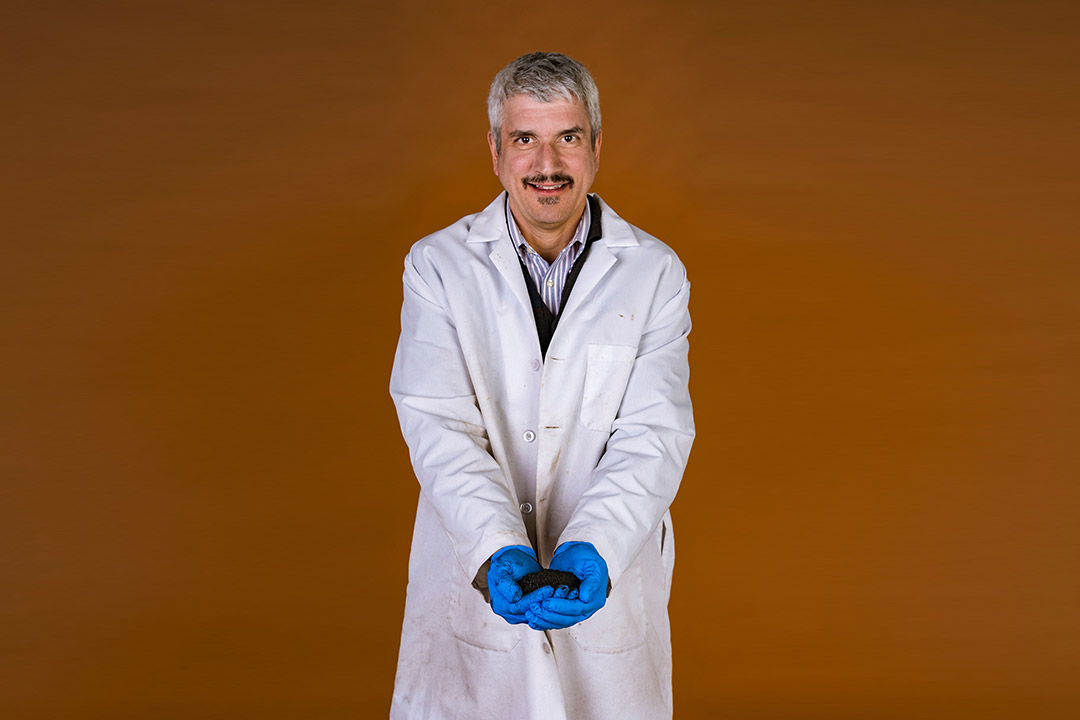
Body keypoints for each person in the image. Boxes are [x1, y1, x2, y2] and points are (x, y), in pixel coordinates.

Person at [388, 51, 694, 720]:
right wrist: (498, 546)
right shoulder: (437, 267)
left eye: (568, 137)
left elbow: (654, 432)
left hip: (610, 589)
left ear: (596, 148)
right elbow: (439, 425)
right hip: (473, 582)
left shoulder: (655, 274)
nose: (546, 162)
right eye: (525, 138)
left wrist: (596, 544)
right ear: (496, 151)